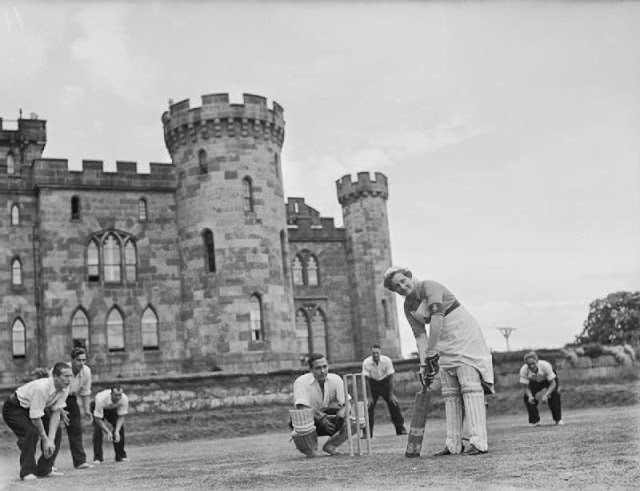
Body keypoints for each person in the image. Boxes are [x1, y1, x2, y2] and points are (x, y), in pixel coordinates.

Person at [383, 266, 494, 456]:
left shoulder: (430, 287)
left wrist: (432, 350)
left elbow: (437, 318)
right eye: (396, 287)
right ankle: (453, 444)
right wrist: (424, 365)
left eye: (403, 281)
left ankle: (478, 441)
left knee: (469, 386)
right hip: (442, 339)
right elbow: (420, 337)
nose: (402, 287)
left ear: (409, 277)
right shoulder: (408, 306)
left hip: (462, 332)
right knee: (450, 392)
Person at [2, 362, 73, 481]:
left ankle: (45, 469)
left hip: (35, 408)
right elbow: (35, 418)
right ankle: (27, 472)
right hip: (14, 408)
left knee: (57, 431)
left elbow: (56, 412)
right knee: (31, 432)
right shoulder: (41, 388)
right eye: (66, 376)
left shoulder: (64, 387)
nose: (69, 379)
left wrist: (51, 439)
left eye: (71, 376)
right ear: (55, 377)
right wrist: (45, 440)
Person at [290, 353, 355, 457]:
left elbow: (347, 403)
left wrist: (342, 415)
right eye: (318, 368)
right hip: (309, 419)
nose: (323, 371)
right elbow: (301, 407)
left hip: (326, 416)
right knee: (301, 418)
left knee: (355, 419)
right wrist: (322, 418)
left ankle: (331, 445)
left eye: (325, 366)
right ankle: (309, 449)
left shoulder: (336, 379)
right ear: (310, 369)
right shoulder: (301, 382)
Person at [51, 347, 94, 470]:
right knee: (55, 430)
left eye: (84, 360)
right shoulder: (60, 370)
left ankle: (80, 461)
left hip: (71, 399)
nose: (81, 363)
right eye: (79, 360)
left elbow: (85, 393)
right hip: (54, 399)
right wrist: (59, 409)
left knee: (76, 429)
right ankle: (49, 464)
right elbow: (51, 390)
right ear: (72, 360)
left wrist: (86, 410)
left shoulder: (86, 372)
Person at [362, 344, 406, 437]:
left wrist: (391, 394)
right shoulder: (366, 362)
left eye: (377, 353)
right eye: (373, 353)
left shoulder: (387, 360)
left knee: (393, 403)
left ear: (380, 352)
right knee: (368, 406)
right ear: (371, 353)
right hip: (372, 384)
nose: (375, 355)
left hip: (385, 383)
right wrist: (369, 396)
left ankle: (400, 428)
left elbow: (391, 377)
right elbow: (365, 380)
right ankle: (367, 432)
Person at [519, 351, 563, 426]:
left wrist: (546, 394)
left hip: (548, 380)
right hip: (534, 381)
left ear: (537, 361)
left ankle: (558, 419)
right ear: (526, 364)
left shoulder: (545, 366)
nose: (532, 366)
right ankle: (535, 420)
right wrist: (530, 396)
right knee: (527, 397)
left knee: (554, 394)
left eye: (533, 363)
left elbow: (553, 383)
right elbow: (526, 387)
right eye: (529, 364)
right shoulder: (523, 370)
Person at [91, 385, 129, 464]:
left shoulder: (124, 399)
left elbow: (121, 416)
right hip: (98, 407)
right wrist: (108, 432)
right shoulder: (100, 399)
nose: (118, 398)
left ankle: (121, 456)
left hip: (112, 409)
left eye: (120, 395)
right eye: (116, 395)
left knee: (120, 428)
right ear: (111, 394)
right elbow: (98, 419)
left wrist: (117, 431)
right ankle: (98, 458)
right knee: (97, 430)